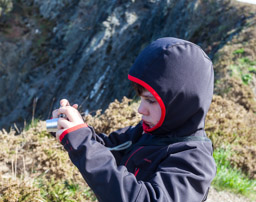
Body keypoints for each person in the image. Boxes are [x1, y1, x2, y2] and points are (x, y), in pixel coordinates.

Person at [52, 37, 216, 202]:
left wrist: (82, 141)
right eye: (141, 99)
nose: (140, 109)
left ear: (180, 103)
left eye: (151, 100)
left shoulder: (195, 161)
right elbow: (106, 148)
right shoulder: (148, 132)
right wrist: (69, 129)